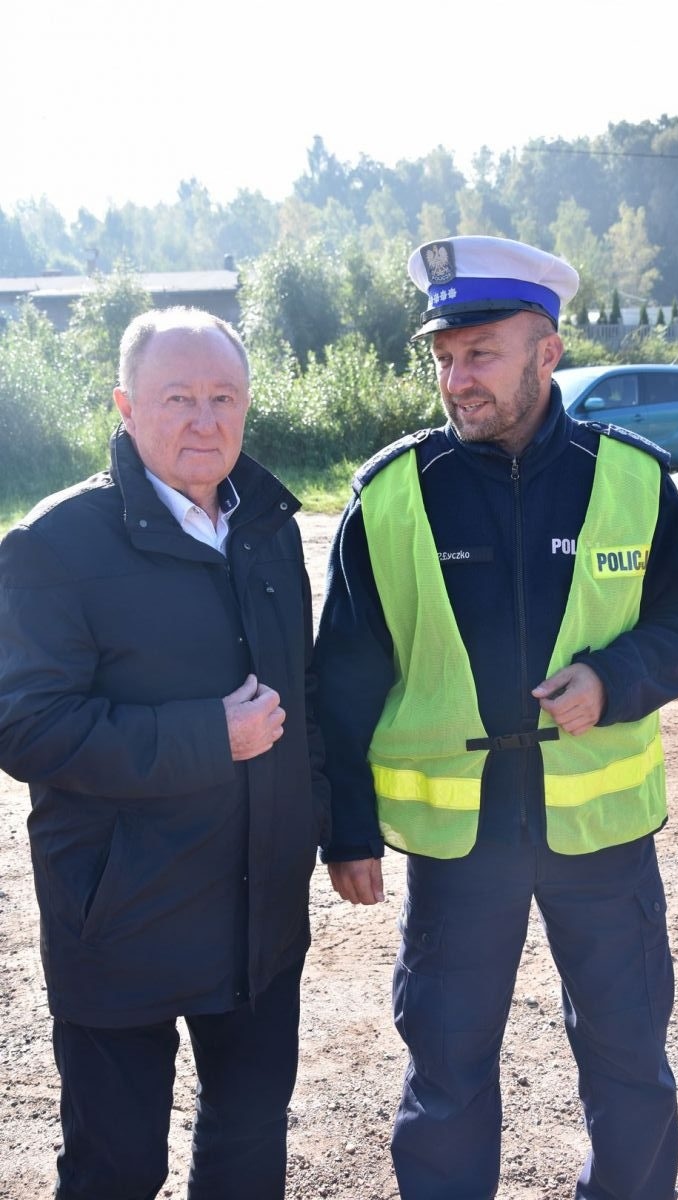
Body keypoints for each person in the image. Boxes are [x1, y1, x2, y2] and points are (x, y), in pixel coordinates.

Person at [312, 236, 678, 1200]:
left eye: (480, 354)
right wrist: (347, 830)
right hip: (459, 847)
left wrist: (614, 679)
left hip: (603, 837)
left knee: (630, 1063)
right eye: (443, 357)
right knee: (447, 1078)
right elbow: (343, 674)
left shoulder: (633, 479)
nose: (456, 379)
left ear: (546, 352)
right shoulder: (391, 494)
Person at [0, 307, 330, 1200]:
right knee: (116, 1169)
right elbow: (26, 727)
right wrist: (207, 737)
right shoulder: (54, 545)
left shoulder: (268, 527)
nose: (205, 420)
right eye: (178, 397)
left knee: (248, 1149)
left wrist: (322, 826)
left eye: (224, 397)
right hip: (121, 919)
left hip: (260, 915)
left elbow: (303, 696)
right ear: (125, 406)